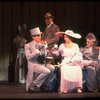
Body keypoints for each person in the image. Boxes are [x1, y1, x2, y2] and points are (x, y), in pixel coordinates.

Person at [24, 27, 55, 92]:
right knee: (47, 71)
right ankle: (32, 85)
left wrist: (45, 49)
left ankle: (44, 85)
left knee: (52, 68)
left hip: (41, 63)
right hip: (33, 64)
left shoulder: (41, 44)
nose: (40, 37)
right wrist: (37, 51)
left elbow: (44, 56)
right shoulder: (28, 45)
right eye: (38, 36)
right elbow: (28, 57)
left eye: (40, 35)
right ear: (33, 37)